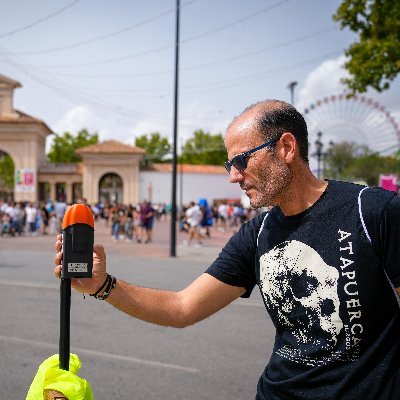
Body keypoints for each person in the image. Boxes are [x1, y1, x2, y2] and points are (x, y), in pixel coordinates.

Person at [54, 99, 400, 399]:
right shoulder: (257, 234)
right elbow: (182, 307)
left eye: (242, 161)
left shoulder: (373, 212)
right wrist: (103, 285)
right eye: (228, 165)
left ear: (286, 148)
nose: (233, 176)